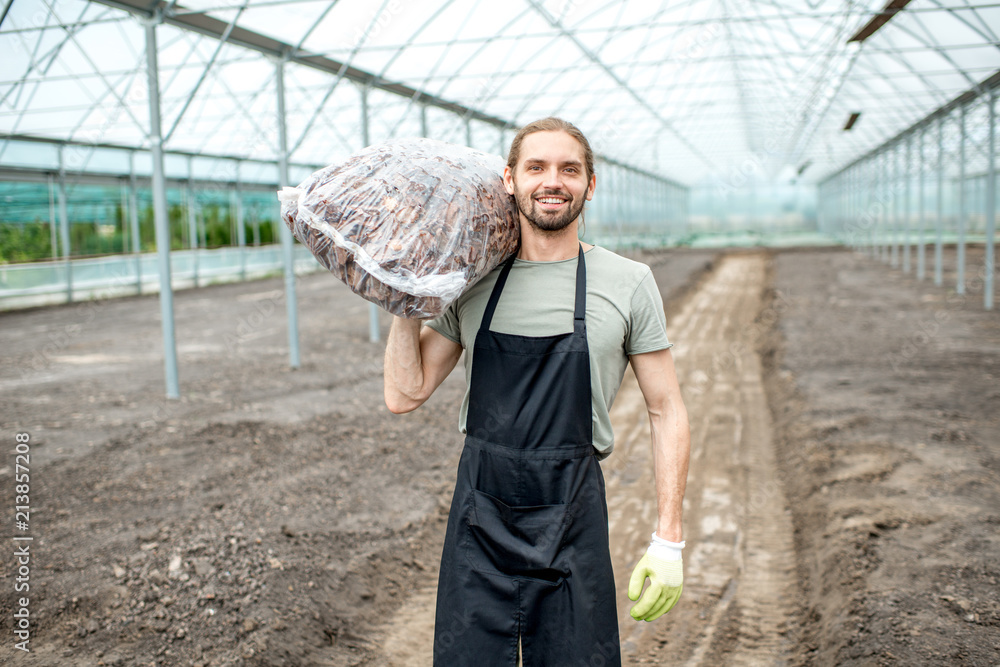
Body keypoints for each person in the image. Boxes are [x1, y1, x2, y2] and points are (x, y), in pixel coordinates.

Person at [383, 117, 690, 666]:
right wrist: (404, 301)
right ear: (510, 179)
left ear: (589, 184)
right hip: (481, 517)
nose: (553, 181)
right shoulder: (472, 280)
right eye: (536, 168)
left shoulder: (628, 281)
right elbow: (405, 394)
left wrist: (668, 540)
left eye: (569, 169)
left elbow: (666, 409)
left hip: (572, 513)